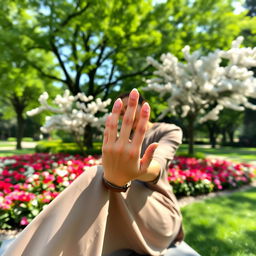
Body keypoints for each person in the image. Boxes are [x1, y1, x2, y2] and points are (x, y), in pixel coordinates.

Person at [3, 89, 183, 256]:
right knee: (97, 176)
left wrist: (136, 171)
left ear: (144, 106)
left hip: (160, 216)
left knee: (97, 176)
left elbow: (157, 164)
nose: (126, 114)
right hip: (128, 210)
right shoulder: (122, 140)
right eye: (122, 112)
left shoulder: (168, 131)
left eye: (130, 107)